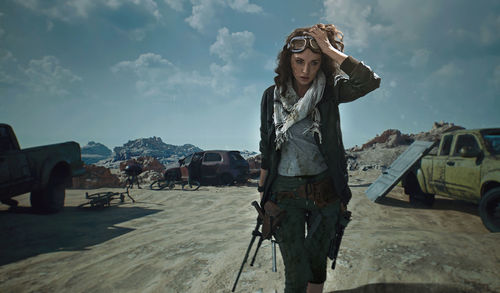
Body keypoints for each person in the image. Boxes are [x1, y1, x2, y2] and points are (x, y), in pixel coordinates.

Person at [258, 23, 380, 293]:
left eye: (314, 63)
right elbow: (266, 142)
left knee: (316, 260)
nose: (305, 71)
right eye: (299, 61)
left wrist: (330, 49)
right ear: (287, 60)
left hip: (324, 190)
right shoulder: (271, 96)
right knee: (295, 266)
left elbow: (369, 82)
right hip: (284, 191)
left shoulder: (330, 92)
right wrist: (263, 183)